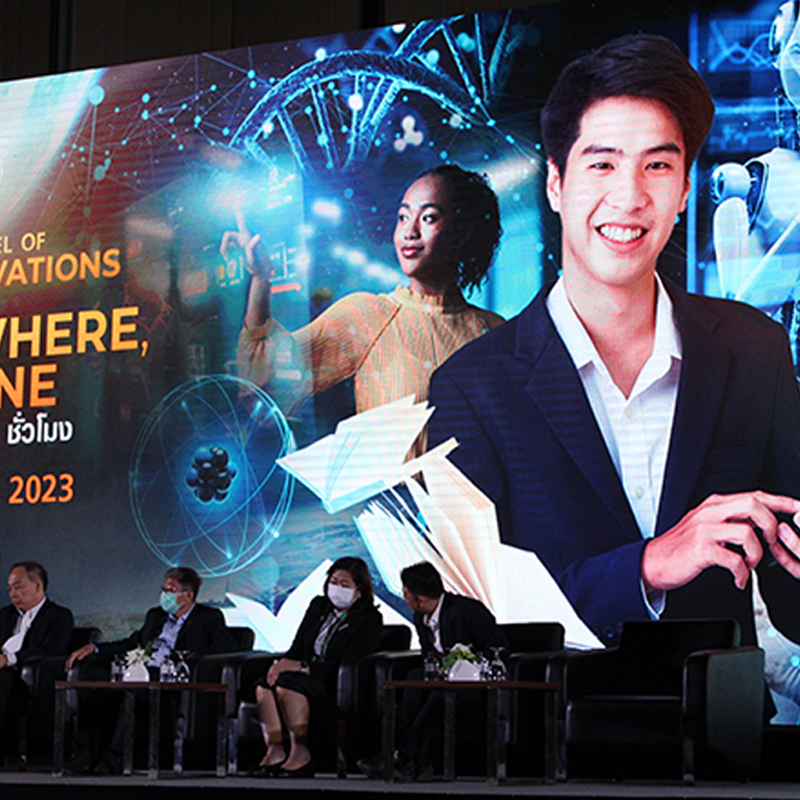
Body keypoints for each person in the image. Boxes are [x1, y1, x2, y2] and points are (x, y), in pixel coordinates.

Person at [427, 33, 800, 653]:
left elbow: (792, 603)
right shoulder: (471, 388)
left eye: (658, 166)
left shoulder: (753, 349)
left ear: (684, 190)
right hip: (557, 710)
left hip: (726, 710)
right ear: (555, 183)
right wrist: (647, 566)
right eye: (602, 164)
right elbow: (473, 623)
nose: (629, 197)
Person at [225, 164, 504, 452]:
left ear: (462, 232)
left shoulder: (496, 332)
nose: (409, 231)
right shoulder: (368, 315)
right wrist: (261, 278)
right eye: (403, 217)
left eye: (429, 217)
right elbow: (271, 381)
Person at [65, 566, 237, 773]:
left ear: (188, 595)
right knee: (92, 678)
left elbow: (226, 645)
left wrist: (191, 658)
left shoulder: (208, 617)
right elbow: (132, 643)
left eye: (170, 591)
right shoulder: (155, 616)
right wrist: (94, 648)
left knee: (135, 689)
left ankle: (115, 757)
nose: (164, 595)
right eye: (163, 590)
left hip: (169, 677)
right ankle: (85, 753)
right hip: (142, 670)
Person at [359, 561, 506, 781]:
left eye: (405, 593)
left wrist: (462, 664)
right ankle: (413, 762)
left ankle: (402, 756)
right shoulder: (421, 616)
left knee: (438, 693)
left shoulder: (467, 611)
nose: (404, 597)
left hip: (473, 684)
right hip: (443, 680)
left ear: (420, 599)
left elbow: (499, 648)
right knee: (414, 679)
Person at [252, 556, 382, 778]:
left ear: (359, 590)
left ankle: (300, 753)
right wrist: (279, 665)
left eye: (345, 584)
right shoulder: (318, 606)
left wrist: (301, 667)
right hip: (305, 675)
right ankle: (275, 751)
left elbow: (347, 663)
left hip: (333, 681)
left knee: (287, 682)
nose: (337, 588)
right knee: (264, 684)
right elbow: (297, 647)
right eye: (333, 582)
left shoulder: (369, 619)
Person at [0, 562, 73, 765]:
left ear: (38, 585)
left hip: (30, 675)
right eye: (9, 589)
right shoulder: (5, 615)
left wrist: (9, 659)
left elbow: (51, 650)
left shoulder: (59, 616)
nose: (12, 594)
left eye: (18, 587)